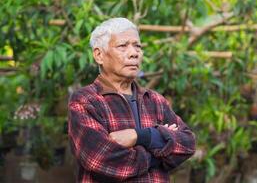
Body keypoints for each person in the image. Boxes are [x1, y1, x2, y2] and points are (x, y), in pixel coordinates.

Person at [68, 17, 196, 182]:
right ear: (99, 55)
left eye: (138, 46)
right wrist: (160, 152)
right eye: (123, 46)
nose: (134, 53)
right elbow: (100, 159)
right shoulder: (86, 100)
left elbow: (187, 144)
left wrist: (141, 136)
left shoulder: (155, 100)